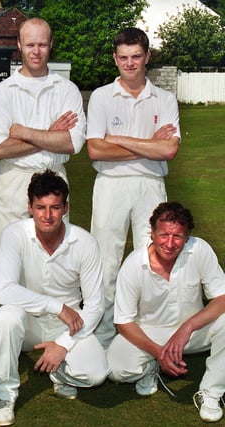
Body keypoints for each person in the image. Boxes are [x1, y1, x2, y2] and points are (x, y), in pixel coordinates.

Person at [86, 27, 180, 348]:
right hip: (111, 185)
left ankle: (146, 341)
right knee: (106, 262)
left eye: (136, 57)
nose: (130, 63)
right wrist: (148, 144)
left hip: (150, 184)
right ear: (115, 58)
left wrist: (120, 140)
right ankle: (101, 339)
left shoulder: (165, 99)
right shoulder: (101, 96)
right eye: (123, 57)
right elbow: (95, 150)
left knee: (151, 261)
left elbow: (167, 150)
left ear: (147, 57)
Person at [0, 170, 107, 426]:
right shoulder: (14, 234)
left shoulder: (85, 242)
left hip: (68, 325)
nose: (47, 215)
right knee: (6, 317)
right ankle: (3, 393)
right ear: (29, 207)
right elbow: (4, 290)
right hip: (26, 323)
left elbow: (96, 306)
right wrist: (57, 306)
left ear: (65, 207)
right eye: (40, 207)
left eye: (55, 207)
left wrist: (63, 343)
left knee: (95, 374)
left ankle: (60, 372)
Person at [0, 17, 86, 312]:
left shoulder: (66, 89)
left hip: (54, 177)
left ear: (50, 45)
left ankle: (57, 326)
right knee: (6, 256)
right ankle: (4, 326)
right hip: (13, 179)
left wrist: (23, 131)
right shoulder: (4, 91)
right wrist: (50, 132)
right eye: (30, 44)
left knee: (55, 255)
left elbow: (72, 143)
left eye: (42, 44)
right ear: (19, 45)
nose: (36, 51)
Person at [107, 202, 225, 423]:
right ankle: (149, 366)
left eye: (178, 236)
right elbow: (123, 322)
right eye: (163, 235)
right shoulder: (133, 265)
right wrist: (159, 352)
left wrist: (187, 327)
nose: (170, 243)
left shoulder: (199, 249)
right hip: (150, 334)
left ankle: (211, 392)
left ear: (187, 236)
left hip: (193, 331)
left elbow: (222, 297)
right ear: (152, 233)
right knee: (116, 368)